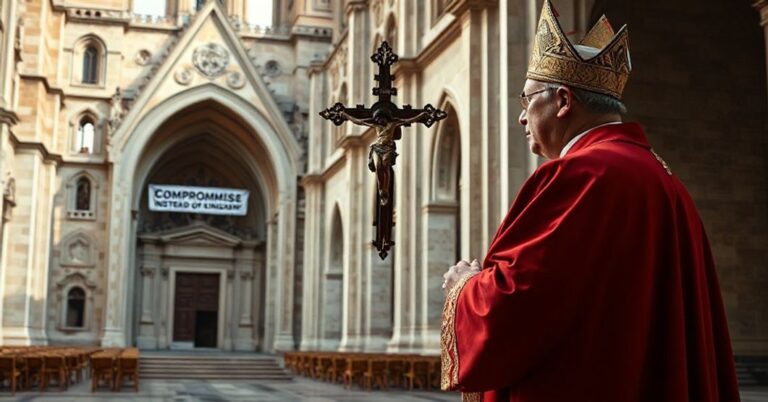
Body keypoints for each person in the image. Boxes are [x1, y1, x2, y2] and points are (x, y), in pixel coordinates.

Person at [440, 1, 740, 401]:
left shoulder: (580, 175)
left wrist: (464, 287)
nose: (522, 118)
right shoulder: (666, 182)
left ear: (563, 101)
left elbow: (518, 304)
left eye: (526, 101)